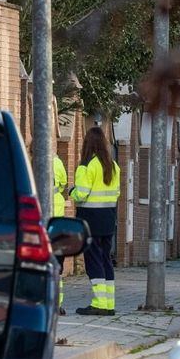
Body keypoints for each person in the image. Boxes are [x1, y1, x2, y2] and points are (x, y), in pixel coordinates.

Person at [71, 127, 121, 316]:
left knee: (93, 260)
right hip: (108, 218)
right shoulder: (113, 166)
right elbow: (116, 193)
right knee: (106, 259)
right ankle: (109, 303)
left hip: (90, 220)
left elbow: (81, 194)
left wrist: (71, 192)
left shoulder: (86, 166)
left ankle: (99, 303)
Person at [53, 154, 68, 315]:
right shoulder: (57, 162)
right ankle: (57, 303)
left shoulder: (33, 162)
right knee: (57, 264)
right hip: (57, 219)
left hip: (42, 221)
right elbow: (63, 184)